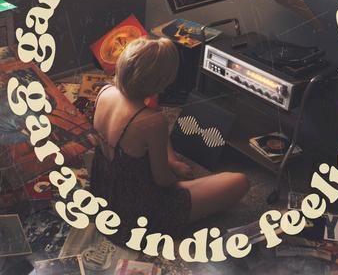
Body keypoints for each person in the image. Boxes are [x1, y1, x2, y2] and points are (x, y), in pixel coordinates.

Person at [90, 37, 249, 246]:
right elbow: (162, 180)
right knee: (239, 182)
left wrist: (172, 162)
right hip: (137, 214)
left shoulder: (105, 92)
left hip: (105, 196)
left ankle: (182, 177)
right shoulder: (152, 121)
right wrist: (178, 181)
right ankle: (187, 191)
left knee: (154, 129)